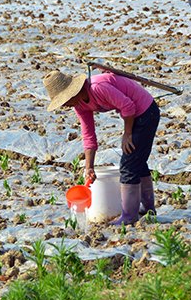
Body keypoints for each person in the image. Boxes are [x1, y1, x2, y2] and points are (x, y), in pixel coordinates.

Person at [44, 69, 160, 225]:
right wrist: (89, 167)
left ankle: (129, 216)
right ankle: (148, 209)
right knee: (136, 161)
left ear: (73, 92)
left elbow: (128, 106)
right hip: (135, 113)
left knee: (128, 165)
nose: (64, 105)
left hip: (146, 112)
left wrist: (128, 134)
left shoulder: (97, 87)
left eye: (64, 101)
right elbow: (88, 135)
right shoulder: (79, 105)